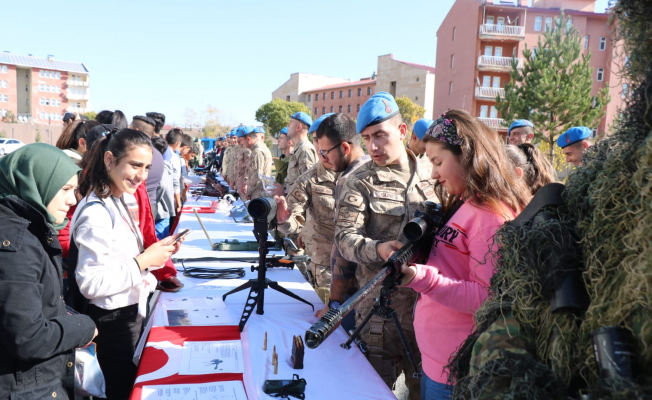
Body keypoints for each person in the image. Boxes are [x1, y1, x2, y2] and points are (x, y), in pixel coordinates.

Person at [397, 110, 531, 399]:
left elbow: (487, 298)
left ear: (467, 155)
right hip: (441, 363)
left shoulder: (489, 215)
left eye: (438, 162)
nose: (433, 173)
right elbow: (453, 265)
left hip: (458, 370)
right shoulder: (467, 204)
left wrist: (421, 278)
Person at [333, 92, 437, 400]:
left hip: (426, 313)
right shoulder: (359, 181)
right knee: (372, 393)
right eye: (366, 138)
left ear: (402, 132)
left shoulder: (433, 173)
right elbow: (344, 238)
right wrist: (376, 249)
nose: (373, 146)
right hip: (380, 313)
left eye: (380, 135)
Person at [73, 128, 180, 400]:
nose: (141, 175)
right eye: (135, 165)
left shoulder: (119, 199)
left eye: (146, 167)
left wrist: (154, 256)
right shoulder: (97, 212)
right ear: (110, 160)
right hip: (112, 322)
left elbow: (123, 258)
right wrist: (143, 261)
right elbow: (90, 283)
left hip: (127, 314)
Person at [0, 144, 98, 400]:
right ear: (34, 183)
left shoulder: (28, 228)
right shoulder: (16, 244)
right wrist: (83, 327)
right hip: (26, 388)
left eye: (74, 190)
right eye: (64, 189)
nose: (73, 199)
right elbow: (27, 337)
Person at [275, 113, 337, 302]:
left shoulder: (352, 174)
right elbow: (309, 197)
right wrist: (290, 221)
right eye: (316, 139)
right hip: (317, 250)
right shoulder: (311, 171)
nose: (319, 147)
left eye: (322, 140)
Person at [283, 112, 317, 194]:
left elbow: (308, 184)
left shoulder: (305, 150)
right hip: (293, 199)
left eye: (291, 122)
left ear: (298, 127)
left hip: (300, 204)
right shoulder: (299, 149)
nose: (288, 125)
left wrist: (283, 190)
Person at [242, 127, 273, 200]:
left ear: (248, 139)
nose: (243, 145)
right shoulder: (261, 149)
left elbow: (256, 176)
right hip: (261, 191)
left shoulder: (257, 152)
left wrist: (248, 192)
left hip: (258, 193)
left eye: (243, 142)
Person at [165, 128, 184, 215]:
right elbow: (175, 181)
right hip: (169, 199)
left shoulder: (158, 152)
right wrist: (179, 204)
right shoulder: (174, 157)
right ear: (178, 143)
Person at [234, 127, 252, 200]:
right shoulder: (240, 148)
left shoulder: (247, 150)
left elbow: (249, 168)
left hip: (244, 182)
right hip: (239, 181)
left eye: (240, 139)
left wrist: (245, 183)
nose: (237, 140)